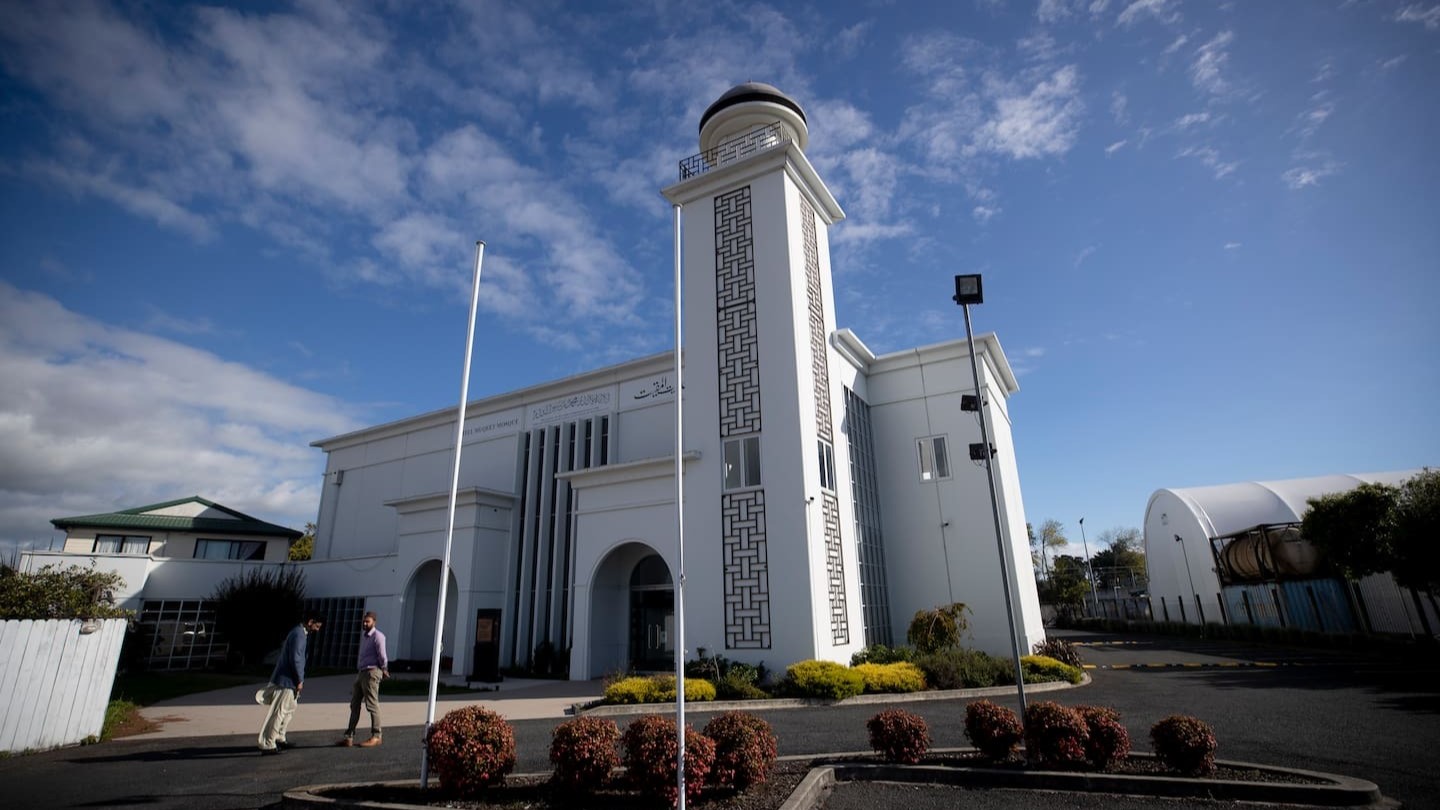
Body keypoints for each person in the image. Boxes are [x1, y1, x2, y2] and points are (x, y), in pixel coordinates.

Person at [257, 613, 323, 754]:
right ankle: (269, 743)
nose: (317, 630)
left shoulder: (298, 632)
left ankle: (280, 737)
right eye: (317, 626)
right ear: (310, 622)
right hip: (288, 681)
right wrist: (299, 680)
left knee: (289, 710)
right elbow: (296, 659)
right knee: (279, 712)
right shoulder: (299, 634)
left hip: (288, 680)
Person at [337, 611, 389, 747]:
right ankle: (349, 736)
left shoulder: (378, 636)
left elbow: (382, 655)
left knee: (372, 704)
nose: (365, 624)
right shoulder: (365, 637)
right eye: (364, 621)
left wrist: (384, 668)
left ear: (374, 622)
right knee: (354, 704)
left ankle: (377, 735)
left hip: (372, 672)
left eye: (368, 621)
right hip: (362, 673)